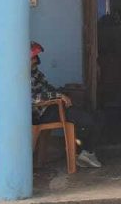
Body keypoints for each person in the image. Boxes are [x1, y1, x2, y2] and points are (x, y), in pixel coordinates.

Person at [31, 41, 104, 169]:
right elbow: (32, 99)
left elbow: (48, 88)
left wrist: (62, 92)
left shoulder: (36, 73)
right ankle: (85, 152)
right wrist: (58, 96)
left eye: (36, 59)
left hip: (53, 107)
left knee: (97, 115)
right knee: (88, 119)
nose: (35, 61)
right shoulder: (21, 77)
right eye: (33, 59)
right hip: (43, 113)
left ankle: (86, 151)